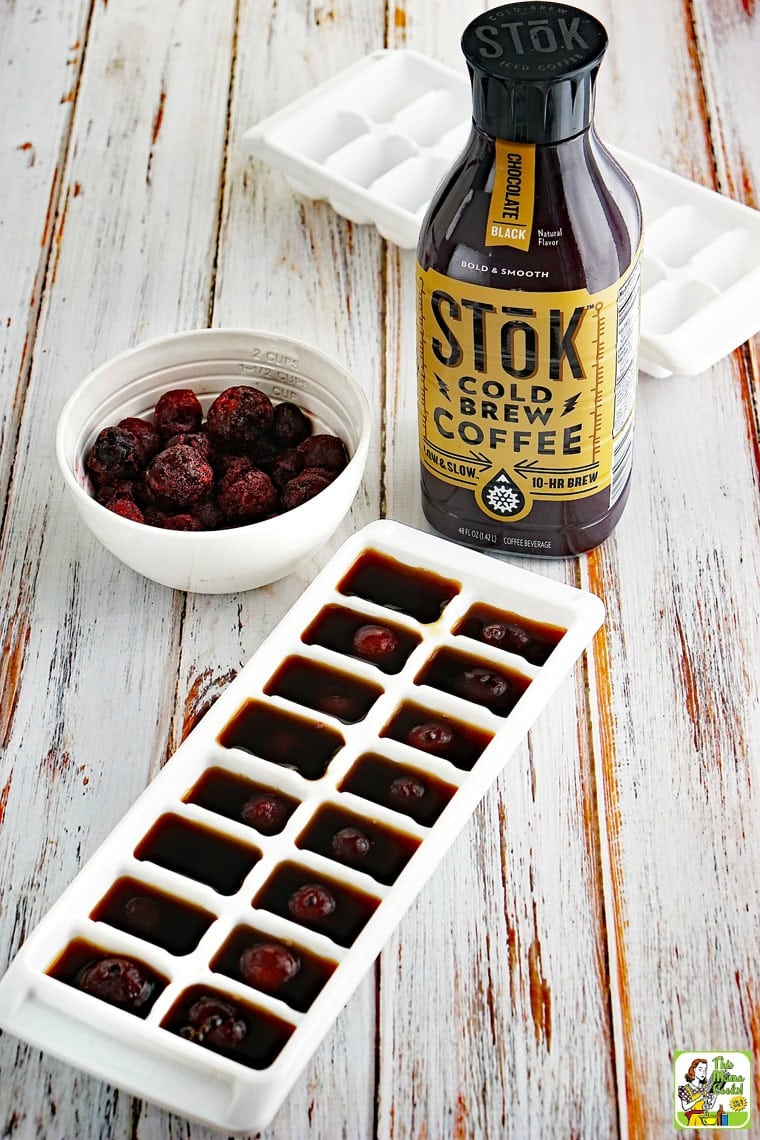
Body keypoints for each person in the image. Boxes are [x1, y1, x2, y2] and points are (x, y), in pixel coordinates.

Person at [678, 1057, 716, 1126]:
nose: (703, 1073)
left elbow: (708, 1106)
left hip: (704, 1119)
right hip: (694, 1120)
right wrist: (698, 1099)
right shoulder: (685, 1089)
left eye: (705, 1070)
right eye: (700, 1069)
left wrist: (715, 1094)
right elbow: (685, 1107)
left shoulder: (705, 1088)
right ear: (694, 1070)